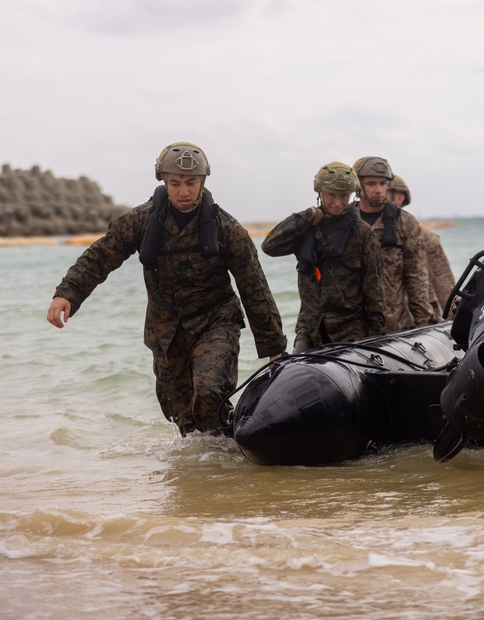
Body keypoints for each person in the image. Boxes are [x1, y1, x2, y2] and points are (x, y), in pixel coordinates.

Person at [46, 142, 286, 436]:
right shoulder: (141, 221)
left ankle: (231, 457)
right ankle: (203, 473)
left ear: (203, 181)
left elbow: (254, 287)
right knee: (182, 417)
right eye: (175, 184)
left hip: (215, 322)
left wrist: (274, 349)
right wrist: (66, 293)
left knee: (210, 394)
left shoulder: (227, 230)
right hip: (166, 332)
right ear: (164, 181)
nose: (183, 192)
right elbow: (100, 257)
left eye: (190, 183)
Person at [262, 162, 388, 352]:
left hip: (350, 330)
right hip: (311, 326)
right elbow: (269, 246)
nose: (338, 203)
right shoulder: (306, 227)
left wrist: (377, 336)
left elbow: (374, 289)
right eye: (331, 195)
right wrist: (305, 217)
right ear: (319, 192)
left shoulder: (362, 233)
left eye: (344, 196)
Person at [352, 156, 438, 332]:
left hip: (395, 325)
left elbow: (417, 278)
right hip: (352, 328)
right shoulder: (345, 222)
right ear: (358, 185)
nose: (378, 190)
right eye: (371, 184)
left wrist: (424, 325)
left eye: (383, 183)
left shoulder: (405, 222)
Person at [387, 174, 458, 320]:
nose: (377, 193)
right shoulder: (360, 231)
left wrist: (454, 321)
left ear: (399, 198)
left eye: (385, 190)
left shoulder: (425, 238)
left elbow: (444, 283)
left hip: (415, 321)